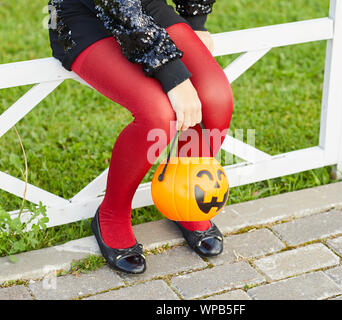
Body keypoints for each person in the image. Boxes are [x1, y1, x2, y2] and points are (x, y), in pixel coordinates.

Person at [47, 0, 234, 274]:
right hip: (84, 14)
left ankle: (183, 194)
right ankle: (112, 213)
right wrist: (173, 76)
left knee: (216, 98)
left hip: (147, 7)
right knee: (157, 114)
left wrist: (195, 19)